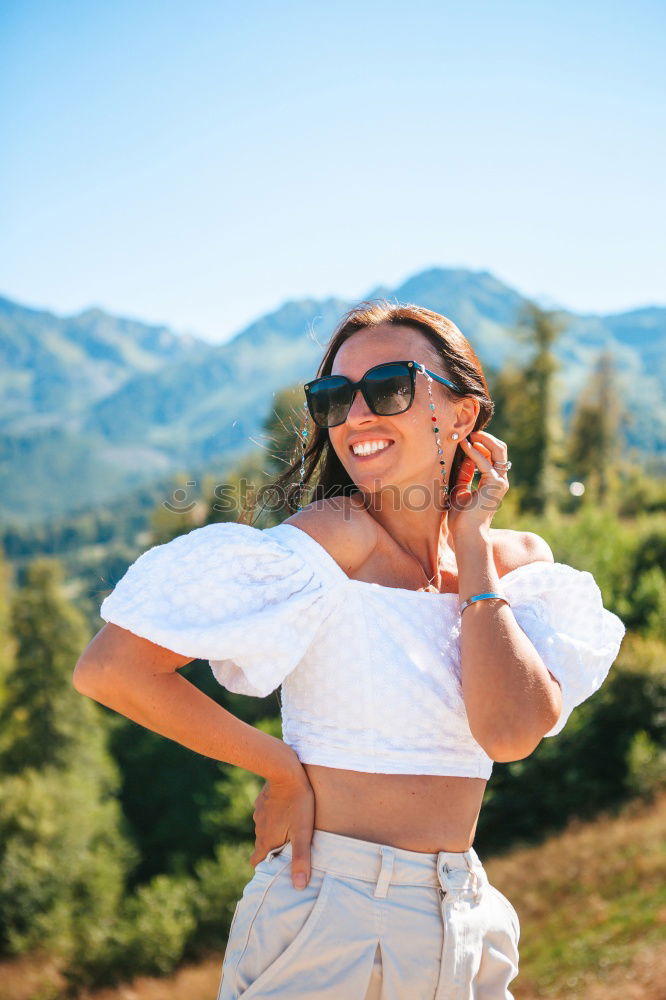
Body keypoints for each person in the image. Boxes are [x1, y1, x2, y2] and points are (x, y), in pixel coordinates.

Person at [73, 301, 626, 1000]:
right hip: (328, 913)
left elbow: (510, 732)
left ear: (462, 415)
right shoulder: (333, 538)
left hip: (466, 918)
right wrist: (278, 767)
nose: (355, 415)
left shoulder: (516, 563)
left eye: (389, 386)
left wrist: (474, 550)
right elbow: (111, 668)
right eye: (334, 398)